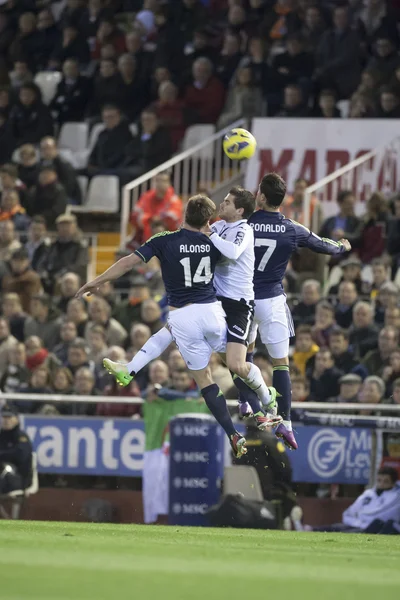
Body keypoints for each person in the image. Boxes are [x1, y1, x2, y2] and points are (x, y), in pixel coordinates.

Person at [77, 194, 256, 458]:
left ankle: (232, 432)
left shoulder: (162, 240)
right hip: (212, 313)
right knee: (240, 360)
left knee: (204, 379)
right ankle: (260, 402)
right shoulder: (215, 242)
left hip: (182, 316)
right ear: (208, 219)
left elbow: (128, 262)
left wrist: (98, 280)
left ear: (184, 214)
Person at [246, 173, 351, 449]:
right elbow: (322, 245)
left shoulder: (245, 223)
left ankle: (248, 402)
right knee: (281, 363)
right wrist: (342, 246)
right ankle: (286, 422)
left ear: (262, 197)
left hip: (244, 300)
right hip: (272, 301)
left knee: (244, 355)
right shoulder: (291, 228)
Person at [311, 468, 400, 533]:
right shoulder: (369, 494)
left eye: (386, 481)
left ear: (393, 483)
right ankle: (309, 529)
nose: (381, 484)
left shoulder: (396, 496)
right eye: (379, 480)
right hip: (358, 523)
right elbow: (348, 513)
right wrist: (358, 522)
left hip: (377, 527)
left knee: (351, 532)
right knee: (335, 527)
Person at [129, 171, 183, 245]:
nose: (160, 184)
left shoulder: (174, 200)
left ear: (169, 183)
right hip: (145, 238)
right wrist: (152, 218)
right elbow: (135, 215)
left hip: (169, 240)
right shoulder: (146, 197)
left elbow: (172, 220)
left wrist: (149, 219)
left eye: (164, 181)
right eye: (157, 180)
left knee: (159, 228)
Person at [0, 404, 33, 496]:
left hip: (18, 477)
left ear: (16, 419)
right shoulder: (1, 436)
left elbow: (20, 455)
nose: (6, 420)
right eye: (4, 417)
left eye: (9, 417)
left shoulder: (21, 437)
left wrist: (2, 455)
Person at [39, 137, 81, 204]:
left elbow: (69, 187)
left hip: (68, 198)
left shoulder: (65, 165)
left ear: (56, 148)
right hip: (48, 197)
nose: (46, 151)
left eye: (49, 148)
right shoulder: (40, 165)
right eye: (43, 149)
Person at [2, 247, 42, 312]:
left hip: (27, 314)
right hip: (8, 314)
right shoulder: (8, 277)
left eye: (21, 261)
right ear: (11, 262)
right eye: (15, 261)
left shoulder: (32, 277)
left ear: (28, 262)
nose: (18, 264)